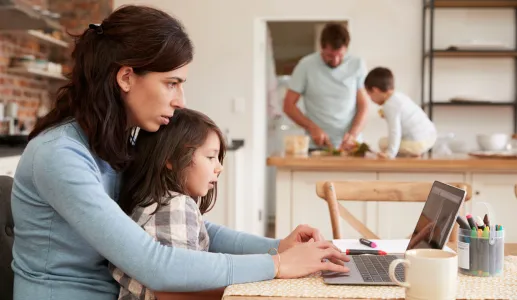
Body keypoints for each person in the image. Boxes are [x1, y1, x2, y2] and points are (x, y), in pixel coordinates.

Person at [10, 5, 349, 300]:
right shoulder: (61, 156)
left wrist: (277, 247)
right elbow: (153, 264)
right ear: (126, 77)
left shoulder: (118, 144)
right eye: (171, 83)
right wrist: (276, 265)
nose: (180, 100)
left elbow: (191, 226)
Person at [109, 108, 224, 300]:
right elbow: (176, 289)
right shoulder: (176, 206)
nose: (219, 167)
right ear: (171, 159)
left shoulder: (150, 201)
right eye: (211, 157)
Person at [283, 22, 369, 151]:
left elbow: (363, 105)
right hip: (316, 146)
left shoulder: (357, 64)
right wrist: (311, 127)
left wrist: (353, 134)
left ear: (346, 48)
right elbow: (288, 105)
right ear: (321, 48)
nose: (335, 61)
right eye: (329, 56)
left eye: (340, 56)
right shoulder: (306, 65)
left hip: (350, 146)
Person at [364, 67, 437, 158]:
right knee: (399, 141)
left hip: (418, 143)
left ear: (375, 90)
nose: (371, 99)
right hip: (430, 136)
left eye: (370, 94)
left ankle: (412, 153)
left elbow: (395, 131)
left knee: (382, 143)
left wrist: (390, 153)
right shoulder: (399, 97)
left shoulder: (389, 105)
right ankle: (414, 153)